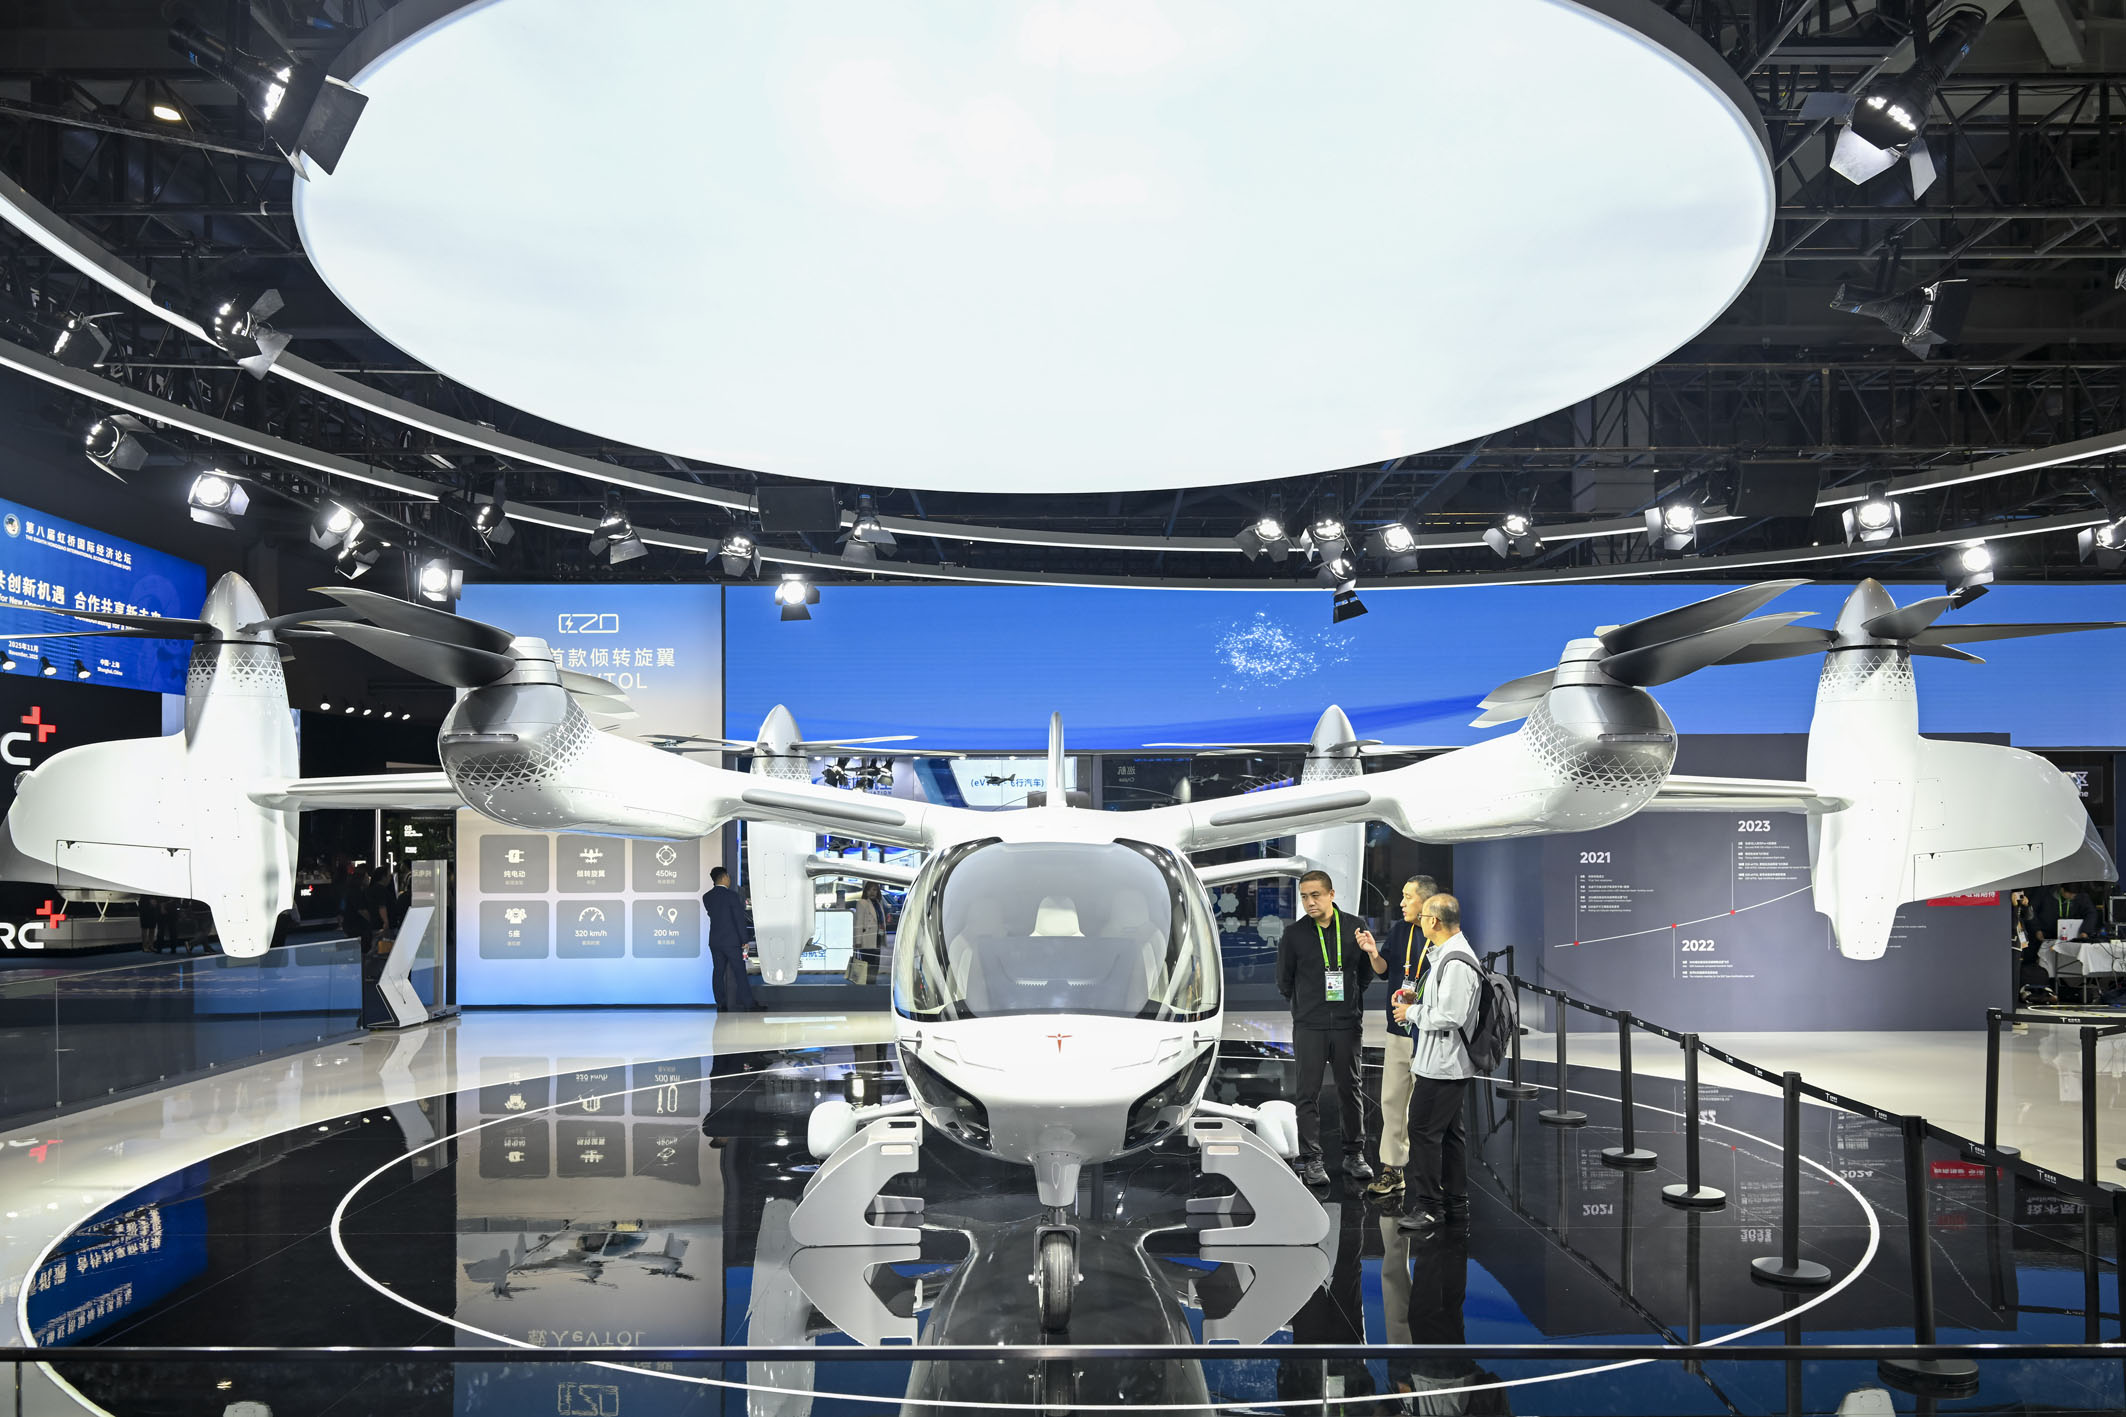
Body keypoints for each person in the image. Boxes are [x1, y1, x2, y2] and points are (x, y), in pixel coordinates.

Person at [1276, 869, 1379, 1187]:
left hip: (1347, 1024)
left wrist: (1350, 999)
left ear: (1331, 895)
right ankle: (1312, 1158)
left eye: (1315, 895)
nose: (1309, 902)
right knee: (1307, 1093)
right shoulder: (1294, 934)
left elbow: (1365, 973)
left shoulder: (1355, 927)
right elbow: (1284, 981)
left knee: (1351, 1089)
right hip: (1310, 1025)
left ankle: (1354, 1154)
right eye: (1304, 897)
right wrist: (1307, 1005)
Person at [1395, 892, 1480, 1232]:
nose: (1418, 920)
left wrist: (1411, 1012)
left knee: (1423, 1131)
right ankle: (1455, 1202)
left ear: (1434, 921)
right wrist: (1416, 999)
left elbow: (1451, 1015)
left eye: (1423, 916)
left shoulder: (1456, 962)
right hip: (1444, 1062)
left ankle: (1429, 1207)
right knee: (1449, 1135)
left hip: (1443, 1066)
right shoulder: (1447, 955)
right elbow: (1443, 1004)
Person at [1364, 873, 1439, 1201]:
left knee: (1425, 1110)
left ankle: (1429, 1178)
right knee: (1392, 1102)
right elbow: (1384, 970)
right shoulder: (1399, 930)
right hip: (1397, 1030)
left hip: (1430, 1035)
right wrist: (1372, 953)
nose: (1402, 903)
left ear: (1426, 902)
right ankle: (1392, 1170)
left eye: (1408, 897)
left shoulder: (1441, 936)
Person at [700, 866, 759, 1012]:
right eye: (728, 877)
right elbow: (738, 919)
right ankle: (749, 1004)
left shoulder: (707, 897)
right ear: (724, 877)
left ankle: (721, 1004)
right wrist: (744, 940)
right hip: (731, 941)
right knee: (739, 973)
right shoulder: (732, 896)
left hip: (715, 941)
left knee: (718, 972)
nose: (729, 879)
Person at [849, 882, 885, 983]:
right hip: (867, 938)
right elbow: (859, 923)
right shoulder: (862, 903)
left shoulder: (878, 903)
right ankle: (867, 984)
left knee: (875, 963)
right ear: (865, 891)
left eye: (874, 890)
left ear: (878, 892)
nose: (872, 892)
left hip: (877, 937)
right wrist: (858, 941)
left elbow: (881, 921)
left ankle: (872, 982)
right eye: (869, 890)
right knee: (867, 963)